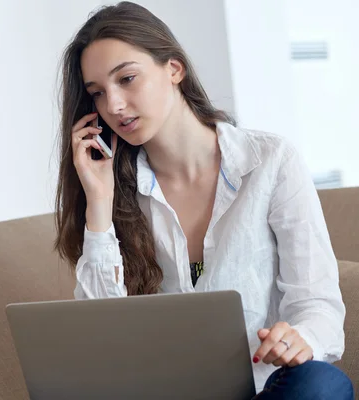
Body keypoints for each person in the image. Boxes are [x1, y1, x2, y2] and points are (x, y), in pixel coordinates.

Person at [53, 1, 354, 398]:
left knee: (321, 383)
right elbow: (101, 338)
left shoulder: (270, 162)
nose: (114, 106)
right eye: (98, 94)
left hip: (267, 389)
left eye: (126, 79)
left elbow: (318, 305)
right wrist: (99, 205)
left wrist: (298, 340)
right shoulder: (116, 193)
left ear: (173, 69)